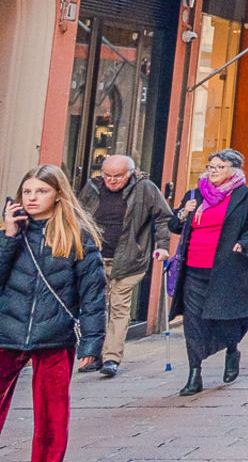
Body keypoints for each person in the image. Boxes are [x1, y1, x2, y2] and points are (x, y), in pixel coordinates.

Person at [0, 165, 106, 462]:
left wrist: (92, 342)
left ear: (58, 195)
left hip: (55, 336)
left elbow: (93, 296)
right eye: (27, 191)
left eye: (42, 191)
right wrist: (9, 236)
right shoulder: (10, 234)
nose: (33, 198)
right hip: (6, 331)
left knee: (52, 417)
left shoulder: (77, 237)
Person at [168, 149, 248, 396]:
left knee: (226, 318)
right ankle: (194, 374)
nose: (213, 171)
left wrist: (245, 241)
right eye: (211, 166)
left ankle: (232, 349)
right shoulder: (195, 194)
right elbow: (174, 225)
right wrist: (183, 212)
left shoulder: (246, 196)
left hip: (228, 269)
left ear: (233, 170)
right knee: (192, 323)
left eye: (219, 167)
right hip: (193, 269)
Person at [75, 155, 172, 377]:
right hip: (95, 258)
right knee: (97, 307)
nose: (111, 180)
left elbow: (163, 218)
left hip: (129, 259)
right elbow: (78, 217)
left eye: (117, 176)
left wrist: (163, 245)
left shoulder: (145, 188)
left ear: (131, 173)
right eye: (107, 175)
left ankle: (111, 358)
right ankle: (93, 354)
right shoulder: (93, 187)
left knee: (119, 307)